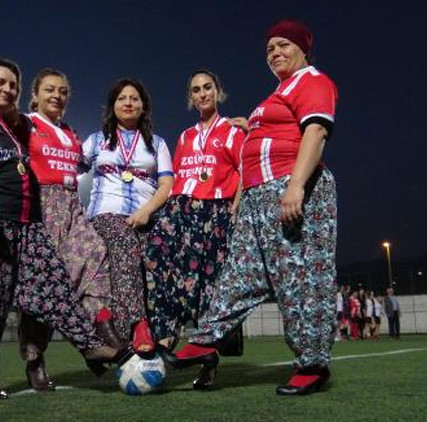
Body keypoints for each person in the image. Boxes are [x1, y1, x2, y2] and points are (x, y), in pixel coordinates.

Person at [163, 20, 339, 396]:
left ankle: (312, 364)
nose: (274, 52)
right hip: (258, 198)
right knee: (238, 274)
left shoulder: (313, 81)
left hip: (288, 188)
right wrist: (253, 127)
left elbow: (316, 131)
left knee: (300, 279)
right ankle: (206, 339)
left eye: (283, 45)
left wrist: (296, 185)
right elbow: (277, 128)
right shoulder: (279, 92)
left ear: (303, 48)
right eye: (269, 49)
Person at [0, 58, 126, 399]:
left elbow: (95, 156)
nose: (6, 89)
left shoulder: (25, 129)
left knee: (59, 281)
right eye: (0, 82)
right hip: (0, 217)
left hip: (35, 219)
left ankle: (93, 340)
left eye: (11, 84)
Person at [16, 68, 121, 391]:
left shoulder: (70, 133)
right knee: (43, 287)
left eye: (62, 91)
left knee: (95, 254)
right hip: (39, 206)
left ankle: (100, 331)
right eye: (50, 89)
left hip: (71, 204)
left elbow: (98, 158)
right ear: (35, 95)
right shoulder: (24, 124)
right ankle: (34, 358)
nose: (57, 95)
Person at [143, 69, 244, 385]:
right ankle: (165, 335)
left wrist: (235, 209)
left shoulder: (233, 131)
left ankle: (207, 358)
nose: (202, 94)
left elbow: (245, 171)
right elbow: (177, 177)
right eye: (196, 89)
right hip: (180, 209)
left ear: (218, 91)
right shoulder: (185, 136)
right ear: (191, 97)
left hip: (215, 212)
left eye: (207, 87)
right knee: (155, 257)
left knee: (206, 286)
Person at [82, 79, 174, 354]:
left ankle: (167, 331)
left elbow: (166, 185)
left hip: (148, 216)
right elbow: (69, 167)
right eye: (122, 98)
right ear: (113, 105)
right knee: (124, 242)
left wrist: (145, 211)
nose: (128, 103)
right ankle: (137, 324)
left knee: (167, 257)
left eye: (134, 98)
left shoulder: (157, 143)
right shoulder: (96, 141)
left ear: (143, 106)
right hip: (106, 214)